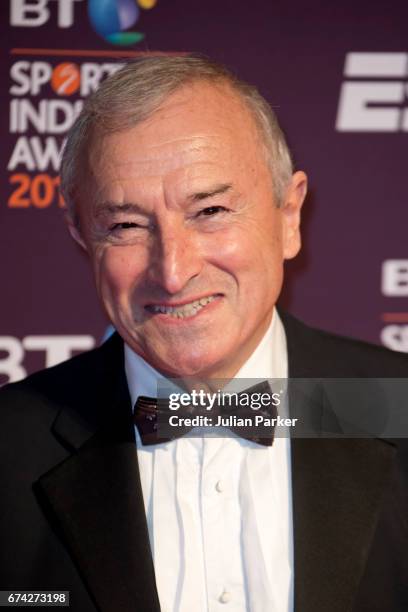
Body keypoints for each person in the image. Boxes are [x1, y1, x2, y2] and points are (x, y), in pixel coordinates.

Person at [0, 55, 407, 612]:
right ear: (80, 235)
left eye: (210, 210)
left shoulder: (398, 408)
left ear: (288, 216)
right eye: (125, 226)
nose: (173, 270)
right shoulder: (8, 448)